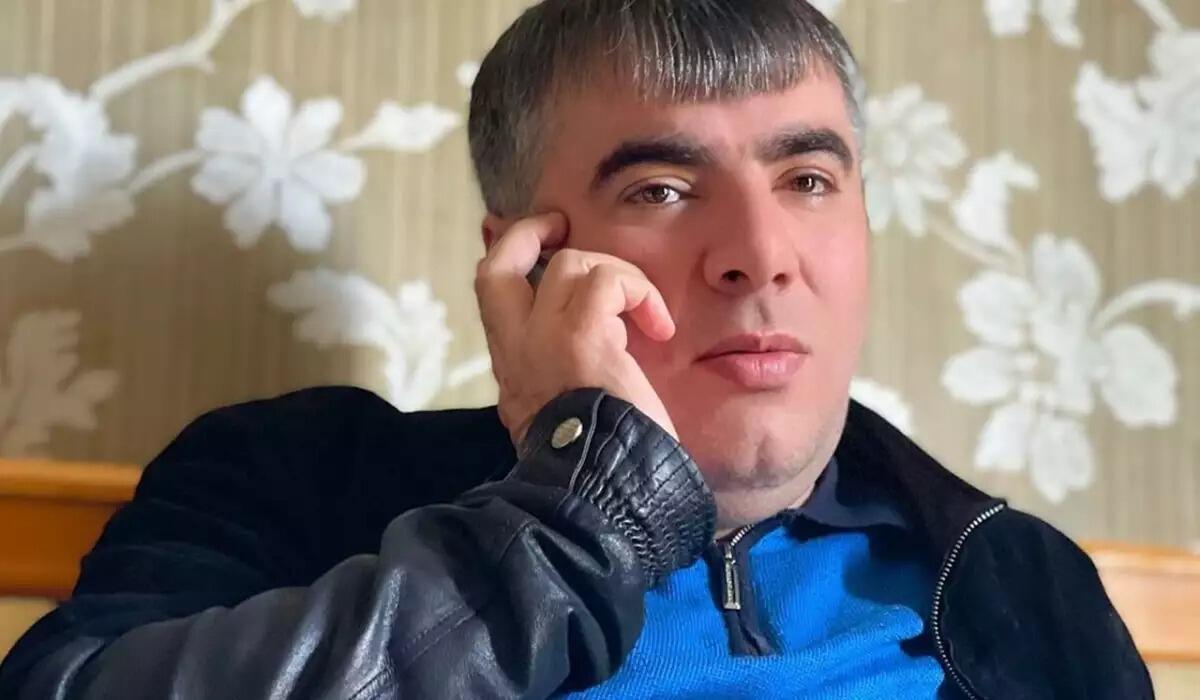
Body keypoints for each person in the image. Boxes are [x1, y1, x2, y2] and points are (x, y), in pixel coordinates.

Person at [0, 1, 1152, 698]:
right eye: (661, 188)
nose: (760, 255)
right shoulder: (291, 475)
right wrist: (573, 525)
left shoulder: (1016, 578)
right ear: (525, 265)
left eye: (808, 179)